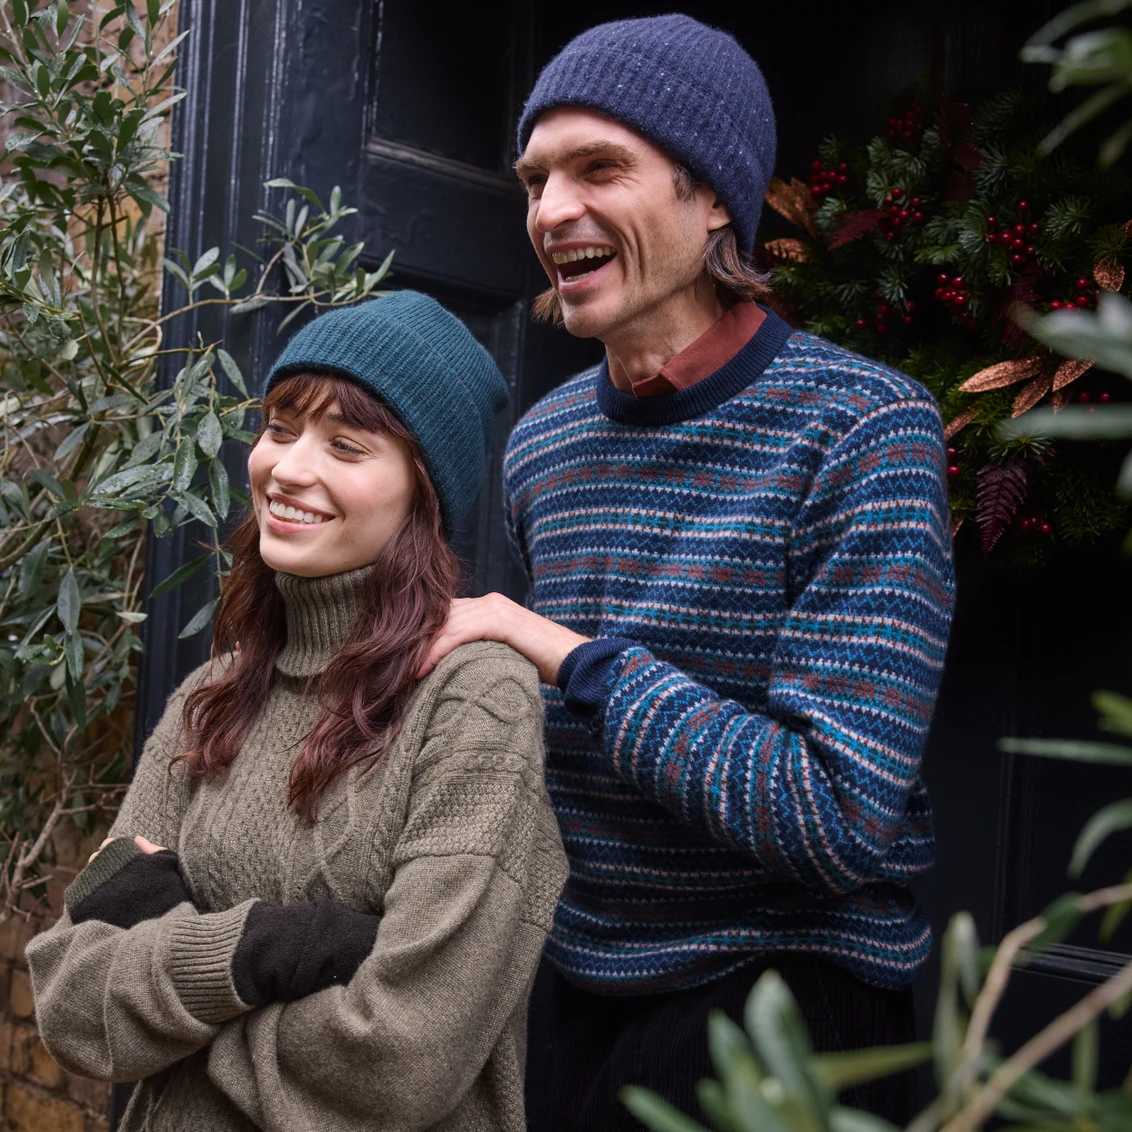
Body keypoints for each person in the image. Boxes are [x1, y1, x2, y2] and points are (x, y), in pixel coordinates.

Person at [421, 15, 956, 1129]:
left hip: (782, 1007)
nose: (550, 209)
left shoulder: (862, 429)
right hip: (574, 989)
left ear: (713, 194)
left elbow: (837, 815)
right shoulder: (546, 442)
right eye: (535, 178)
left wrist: (571, 656)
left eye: (599, 167)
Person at [27, 292, 568, 1132]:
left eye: (346, 445)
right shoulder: (213, 694)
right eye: (280, 428)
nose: (288, 468)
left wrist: (179, 1006)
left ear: (422, 492)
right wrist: (269, 949)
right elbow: (69, 999)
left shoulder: (472, 701)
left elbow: (401, 1055)